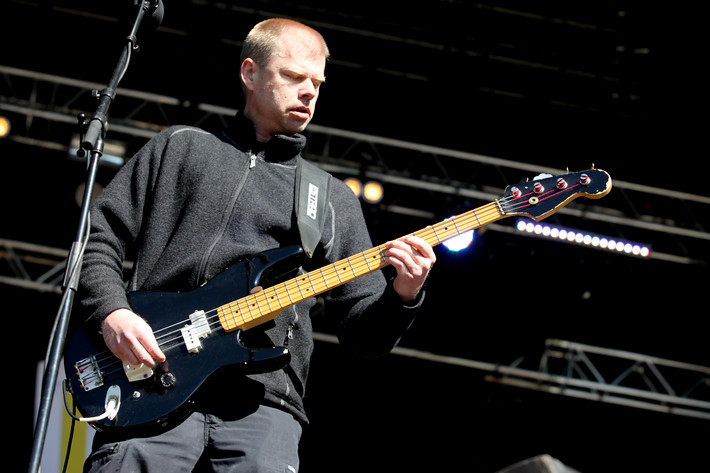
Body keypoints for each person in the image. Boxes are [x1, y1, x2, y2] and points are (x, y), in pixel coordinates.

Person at [77, 17, 435, 472]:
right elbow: (98, 237)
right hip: (150, 387)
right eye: (293, 76)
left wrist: (404, 295)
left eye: (317, 83)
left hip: (262, 410)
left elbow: (363, 336)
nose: (308, 92)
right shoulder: (181, 148)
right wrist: (112, 312)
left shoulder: (329, 200)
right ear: (250, 73)